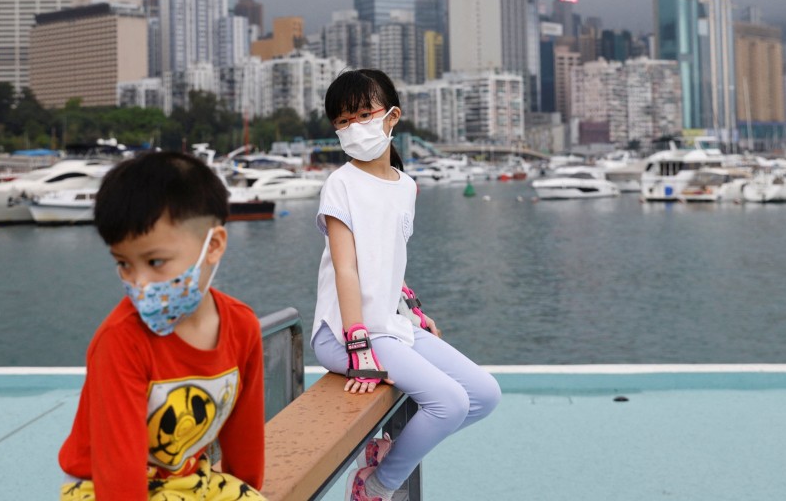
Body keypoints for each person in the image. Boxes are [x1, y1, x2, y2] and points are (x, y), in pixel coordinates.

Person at [311, 69, 502, 501]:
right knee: (448, 403)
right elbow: (347, 268)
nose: (352, 128)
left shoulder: (406, 186)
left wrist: (413, 308)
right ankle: (374, 486)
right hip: (345, 332)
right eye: (342, 121)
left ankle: (385, 454)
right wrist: (358, 345)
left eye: (363, 114)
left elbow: (389, 260)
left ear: (392, 117)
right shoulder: (340, 184)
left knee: (484, 395)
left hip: (390, 325)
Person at [59, 151, 265, 501]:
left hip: (187, 480)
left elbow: (244, 437)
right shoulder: (121, 340)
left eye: (156, 261)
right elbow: (118, 473)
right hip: (103, 488)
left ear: (213, 245)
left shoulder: (242, 326)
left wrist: (247, 488)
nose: (139, 282)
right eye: (124, 263)